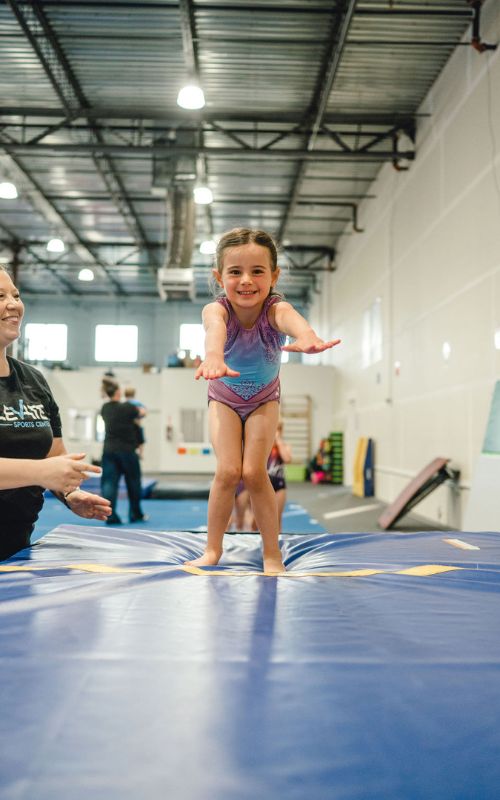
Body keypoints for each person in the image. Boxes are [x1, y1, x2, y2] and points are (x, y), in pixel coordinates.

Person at [188, 227, 340, 573]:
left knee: (256, 472)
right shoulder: (217, 309)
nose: (246, 281)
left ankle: (272, 553)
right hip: (224, 397)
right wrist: (212, 356)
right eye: (235, 272)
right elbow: (215, 331)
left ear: (274, 275)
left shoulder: (275, 308)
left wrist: (308, 336)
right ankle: (213, 549)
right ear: (218, 276)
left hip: (263, 400)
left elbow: (291, 320)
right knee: (228, 471)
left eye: (257, 271)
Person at [0, 265, 111, 561]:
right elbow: (44, 469)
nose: (13, 304)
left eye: (16, 294)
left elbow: (54, 456)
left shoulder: (32, 380)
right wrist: (41, 473)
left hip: (16, 548)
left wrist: (71, 494)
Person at [100, 377, 148, 525]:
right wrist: (135, 403)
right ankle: (135, 514)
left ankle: (110, 515)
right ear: (119, 392)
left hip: (109, 451)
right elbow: (143, 413)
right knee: (133, 483)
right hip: (127, 451)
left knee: (109, 484)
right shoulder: (128, 408)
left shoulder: (105, 408)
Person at [124, 386, 146, 459]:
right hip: (137, 425)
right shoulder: (138, 403)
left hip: (127, 427)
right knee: (141, 441)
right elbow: (144, 413)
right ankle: (141, 453)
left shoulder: (124, 404)